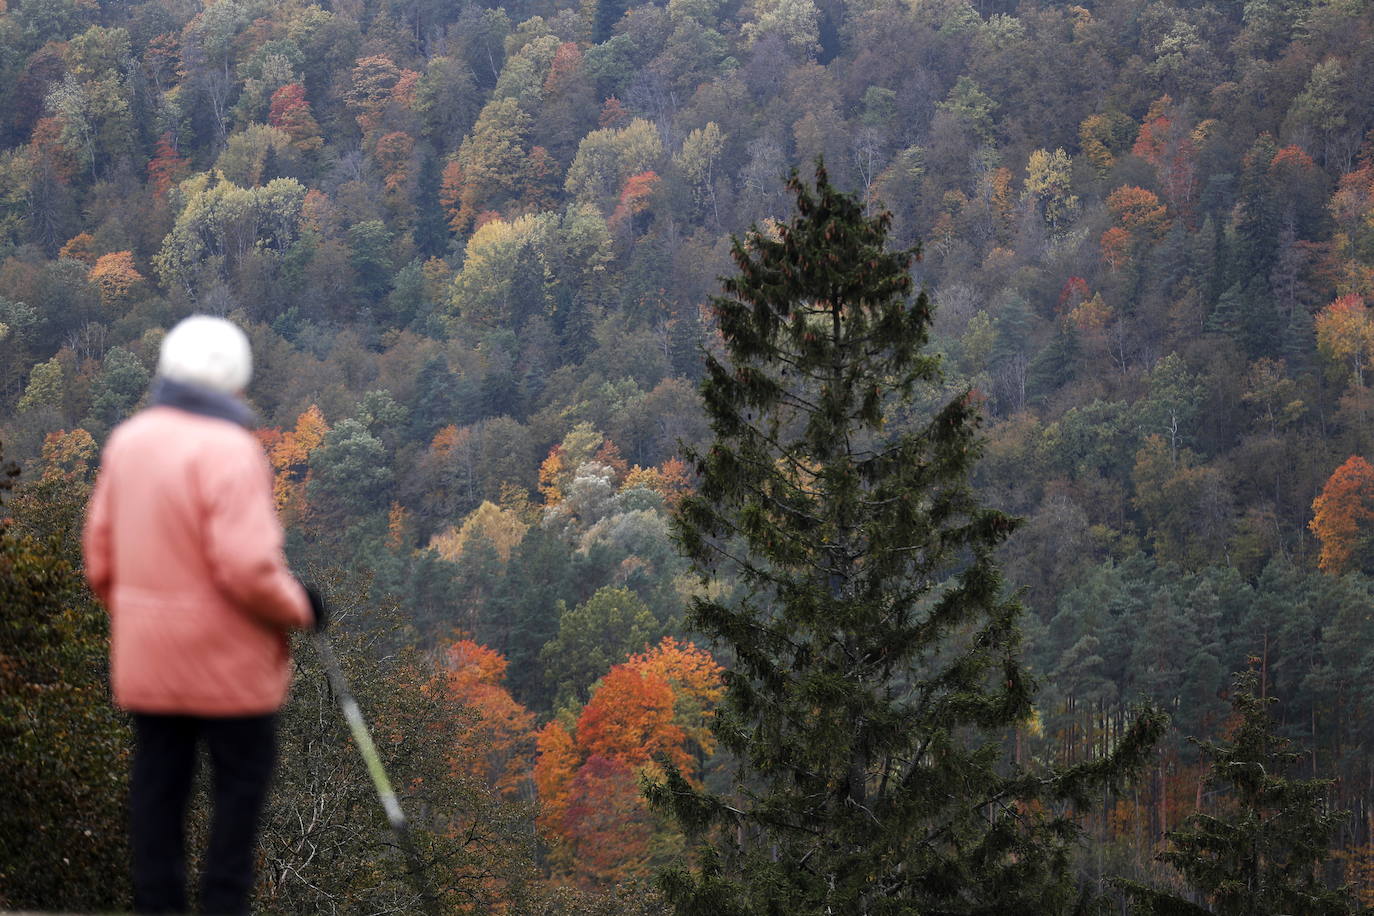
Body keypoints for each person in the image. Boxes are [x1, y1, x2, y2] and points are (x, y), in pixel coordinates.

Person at [82, 315, 325, 915]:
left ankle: (157, 906)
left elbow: (100, 559)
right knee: (236, 799)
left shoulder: (129, 441)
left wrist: (142, 619)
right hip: (230, 666)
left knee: (158, 792)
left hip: (150, 661)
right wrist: (302, 606)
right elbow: (246, 567)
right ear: (235, 382)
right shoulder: (232, 451)